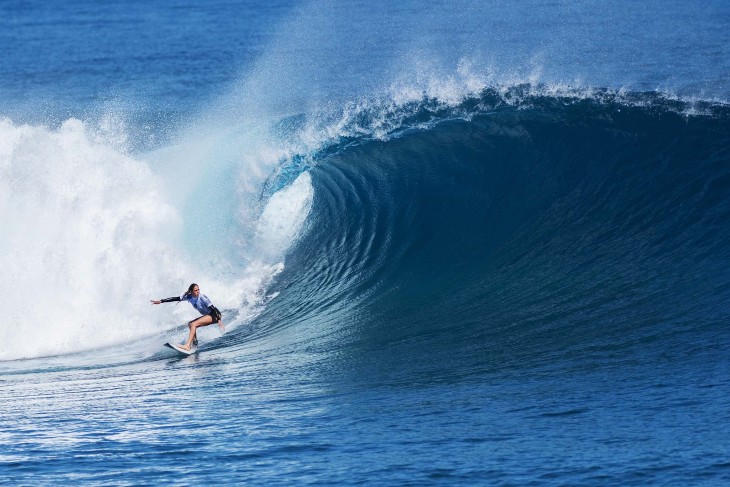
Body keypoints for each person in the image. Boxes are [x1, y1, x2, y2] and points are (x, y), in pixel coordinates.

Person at [151, 283, 224, 350]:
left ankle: (187, 345)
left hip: (214, 314)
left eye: (198, 290)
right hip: (208, 315)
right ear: (191, 291)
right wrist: (161, 301)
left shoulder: (202, 298)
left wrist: (219, 320)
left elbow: (213, 308)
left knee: (193, 324)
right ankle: (194, 343)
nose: (197, 292)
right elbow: (175, 298)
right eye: (195, 290)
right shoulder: (189, 297)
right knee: (190, 324)